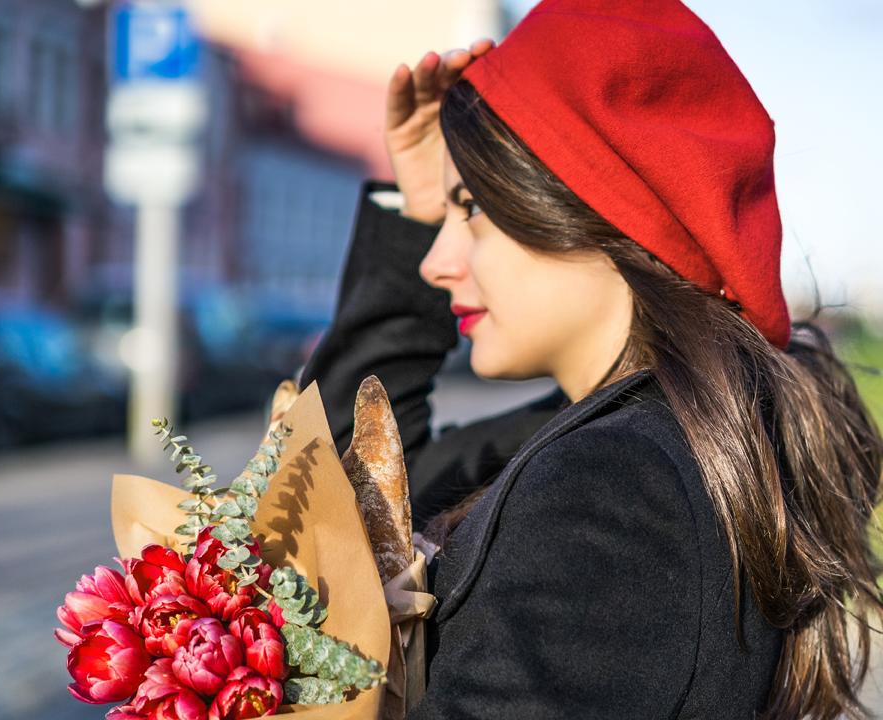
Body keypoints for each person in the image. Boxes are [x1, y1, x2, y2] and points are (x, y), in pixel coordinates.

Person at [300, 1, 883, 718]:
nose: (436, 263)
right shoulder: (643, 443)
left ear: (599, 208)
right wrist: (416, 202)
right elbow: (338, 498)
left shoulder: (613, 484)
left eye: (471, 208)